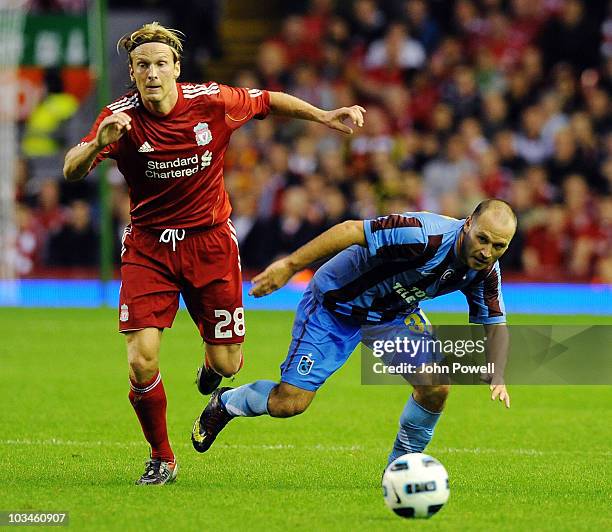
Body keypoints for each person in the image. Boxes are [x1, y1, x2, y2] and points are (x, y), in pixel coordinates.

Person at [63, 22, 365, 485]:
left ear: (176, 68)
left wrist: (324, 115)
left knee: (227, 364)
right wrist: (98, 144)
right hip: (149, 247)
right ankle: (162, 456)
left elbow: (268, 101)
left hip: (210, 244)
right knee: (141, 359)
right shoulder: (118, 118)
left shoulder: (212, 100)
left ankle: (210, 369)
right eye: (143, 65)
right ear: (133, 71)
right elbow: (71, 168)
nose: (153, 73)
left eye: (161, 64)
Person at [191, 200, 515, 466]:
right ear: (469, 223)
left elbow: (495, 322)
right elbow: (350, 230)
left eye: (498, 246)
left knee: (436, 386)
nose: (487, 251)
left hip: (392, 318)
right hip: (335, 306)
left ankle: (401, 468)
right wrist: (290, 266)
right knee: (288, 404)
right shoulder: (422, 234)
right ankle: (227, 402)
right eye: (482, 239)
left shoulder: (484, 270)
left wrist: (498, 371)